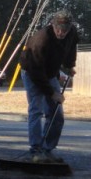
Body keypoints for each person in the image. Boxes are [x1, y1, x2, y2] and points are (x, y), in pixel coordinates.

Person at [19, 10, 78, 163]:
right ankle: (35, 149)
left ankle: (47, 149)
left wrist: (69, 65)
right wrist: (52, 93)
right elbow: (36, 71)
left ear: (70, 27)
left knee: (56, 113)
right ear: (52, 24)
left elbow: (71, 48)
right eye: (58, 28)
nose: (61, 32)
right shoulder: (41, 38)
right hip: (32, 72)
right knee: (36, 110)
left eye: (64, 29)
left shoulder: (71, 33)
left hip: (50, 72)